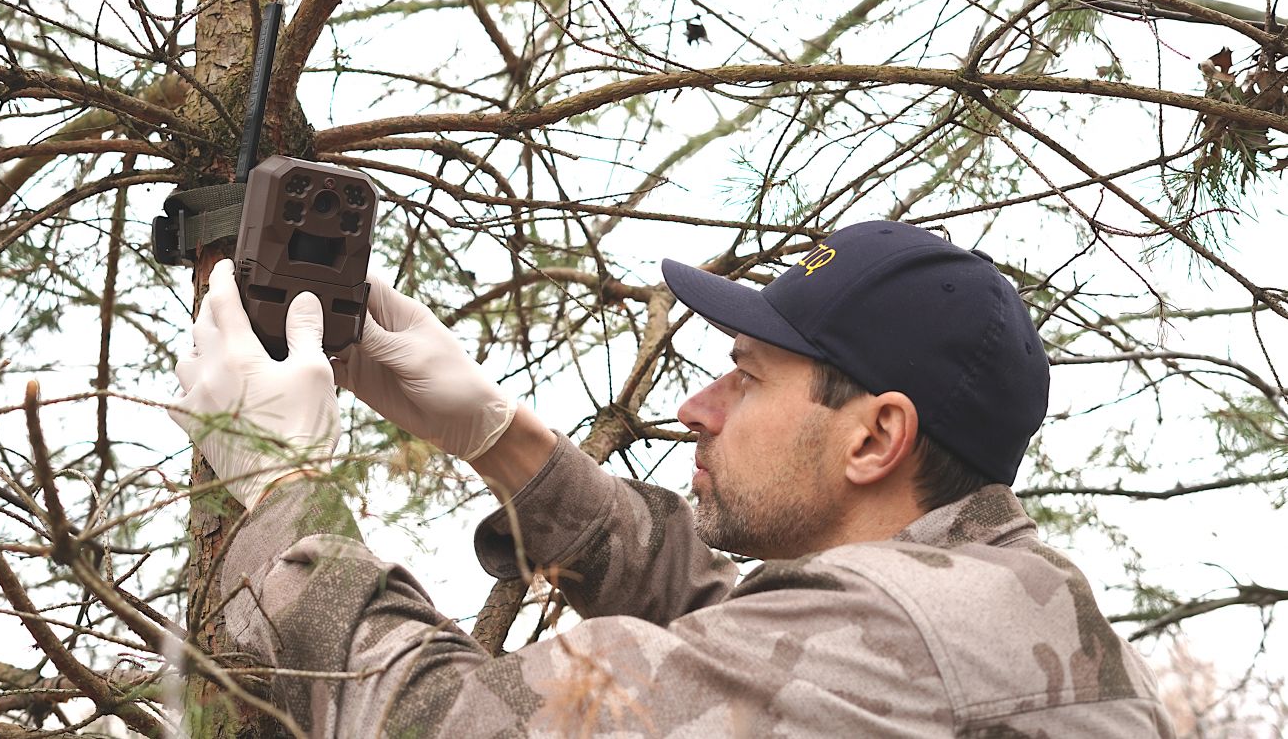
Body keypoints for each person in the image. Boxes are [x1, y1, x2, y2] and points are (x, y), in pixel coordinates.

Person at [170, 220, 1174, 737]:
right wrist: (496, 434)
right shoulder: (989, 600)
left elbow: (448, 725)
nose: (697, 406)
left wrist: (281, 487)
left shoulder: (901, 635)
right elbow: (730, 639)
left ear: (874, 437)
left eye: (746, 376)